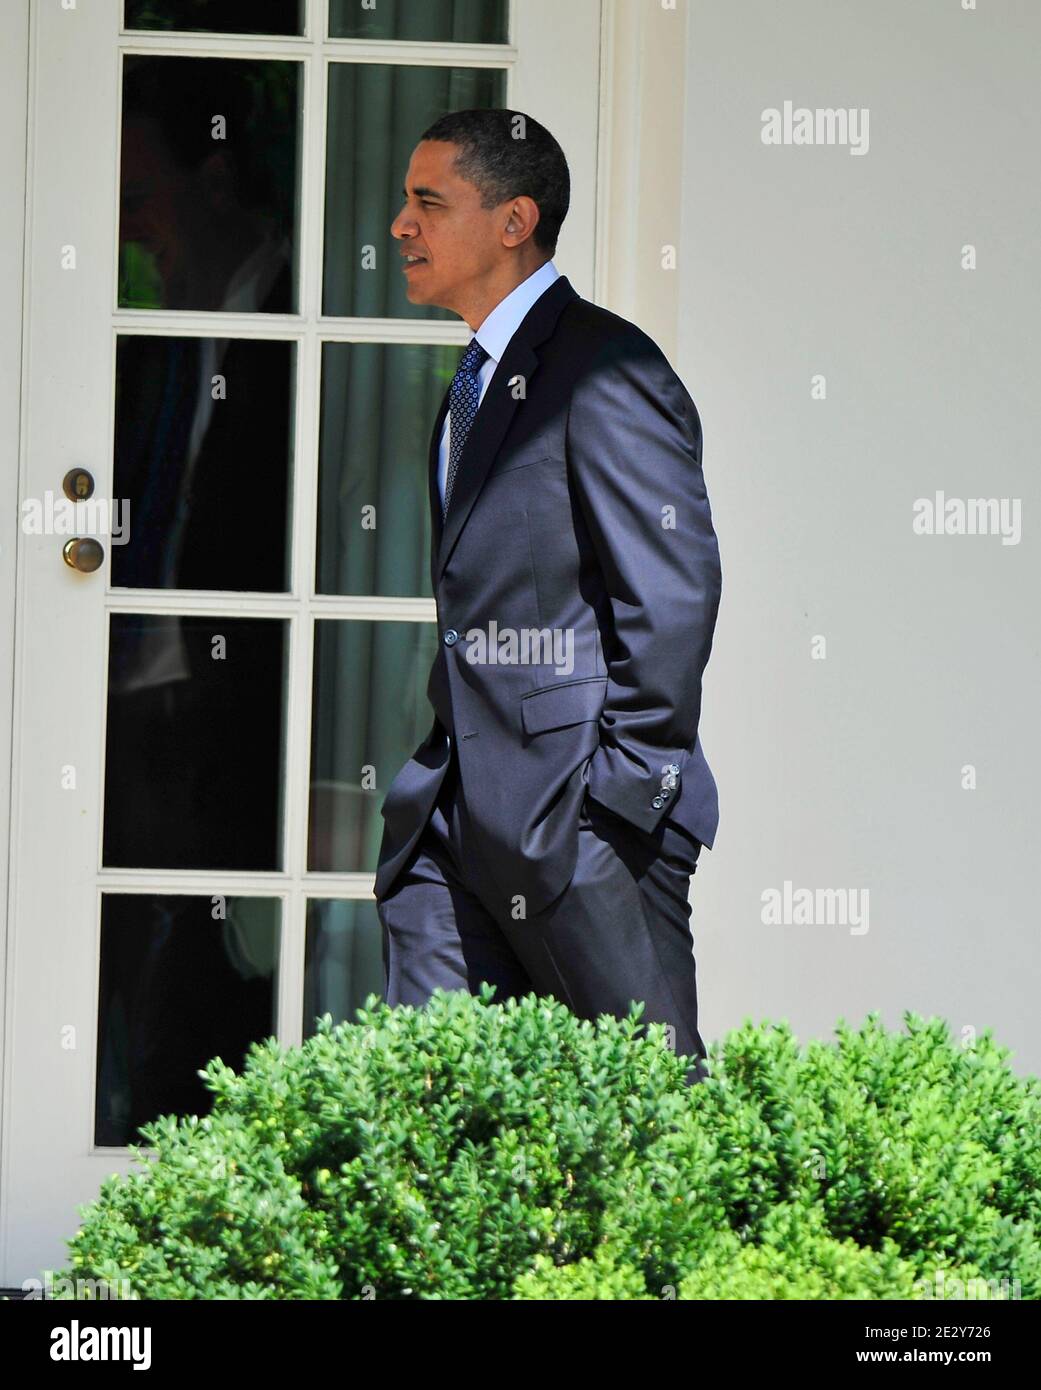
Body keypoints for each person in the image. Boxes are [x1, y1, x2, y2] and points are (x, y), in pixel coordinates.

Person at [374, 108, 722, 1082]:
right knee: (437, 1121)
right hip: (453, 822)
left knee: (648, 1117)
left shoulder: (605, 370)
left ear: (513, 220)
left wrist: (617, 799)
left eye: (429, 202)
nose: (401, 225)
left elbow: (674, 591)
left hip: (583, 827)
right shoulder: (471, 384)